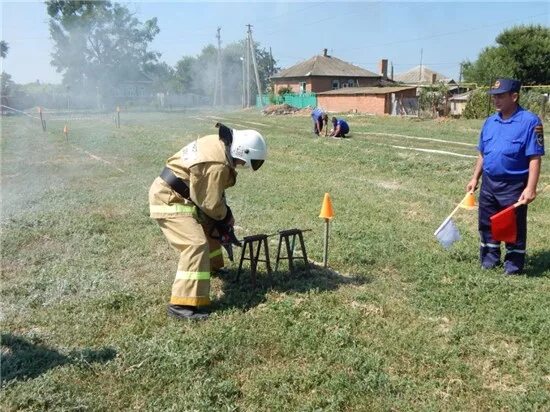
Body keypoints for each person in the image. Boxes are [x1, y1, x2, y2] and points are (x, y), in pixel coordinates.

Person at [149, 123, 267, 319]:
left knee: (210, 227)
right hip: (170, 199)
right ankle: (181, 305)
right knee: (195, 244)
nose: (241, 165)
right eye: (243, 161)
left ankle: (212, 267)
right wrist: (226, 217)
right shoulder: (217, 164)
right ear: (241, 150)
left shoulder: (219, 144)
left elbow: (208, 195)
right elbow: (210, 204)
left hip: (184, 193)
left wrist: (220, 221)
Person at [466, 78, 544, 275]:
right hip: (489, 183)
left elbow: (534, 157)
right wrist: (475, 178)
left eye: (501, 96)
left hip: (514, 185)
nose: (496, 101)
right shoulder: (490, 122)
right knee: (487, 222)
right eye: (494, 97)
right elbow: (483, 153)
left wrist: (531, 187)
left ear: (514, 96)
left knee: (512, 225)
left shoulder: (530, 122)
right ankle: (489, 260)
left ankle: (513, 265)